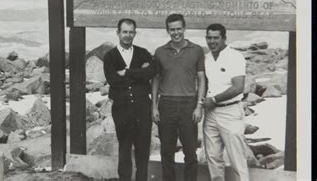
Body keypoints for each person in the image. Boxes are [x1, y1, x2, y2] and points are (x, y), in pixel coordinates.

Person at [151, 13, 206, 181]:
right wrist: (154, 106)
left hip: (189, 104)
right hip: (166, 104)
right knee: (166, 151)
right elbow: (156, 80)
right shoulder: (160, 52)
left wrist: (199, 106)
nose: (176, 33)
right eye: (172, 29)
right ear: (168, 30)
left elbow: (202, 78)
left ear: (184, 28)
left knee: (190, 151)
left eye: (179, 29)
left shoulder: (197, 50)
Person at [103, 18, 155, 181]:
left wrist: (126, 72)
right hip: (121, 109)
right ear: (118, 33)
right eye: (124, 32)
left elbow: (151, 72)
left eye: (131, 32)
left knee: (143, 149)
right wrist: (139, 73)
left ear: (135, 33)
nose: (127, 35)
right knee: (124, 148)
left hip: (142, 108)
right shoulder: (110, 56)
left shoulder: (143, 52)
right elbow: (113, 81)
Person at [201, 23, 249, 181]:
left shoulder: (235, 56)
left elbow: (238, 87)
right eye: (209, 37)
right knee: (213, 158)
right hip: (210, 114)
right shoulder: (206, 58)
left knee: (237, 160)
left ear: (224, 38)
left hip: (230, 112)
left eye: (216, 38)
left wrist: (214, 99)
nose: (212, 41)